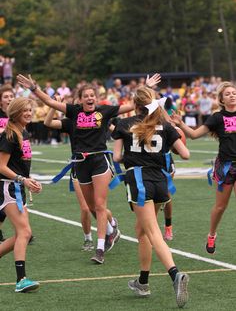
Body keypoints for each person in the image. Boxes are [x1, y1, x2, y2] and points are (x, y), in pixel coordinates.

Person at [17, 72, 161, 264]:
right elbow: (50, 104)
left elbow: (136, 105)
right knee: (91, 206)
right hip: (80, 163)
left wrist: (147, 87)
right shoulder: (74, 112)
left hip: (99, 161)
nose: (90, 98)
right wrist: (34, 88)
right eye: (86, 96)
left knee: (100, 206)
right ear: (80, 99)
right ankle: (112, 230)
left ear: (96, 97)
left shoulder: (105, 111)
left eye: (92, 95)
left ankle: (100, 248)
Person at [112, 86, 190, 308]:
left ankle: (175, 274)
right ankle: (143, 282)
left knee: (153, 232)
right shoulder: (164, 125)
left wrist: (133, 152)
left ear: (134, 104)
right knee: (142, 230)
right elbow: (185, 154)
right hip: (160, 181)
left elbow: (117, 157)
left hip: (139, 180)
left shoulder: (124, 124)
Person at [44, 96, 120, 252]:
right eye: (81, 98)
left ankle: (110, 228)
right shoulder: (71, 121)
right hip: (78, 166)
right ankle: (93, 236)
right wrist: (53, 106)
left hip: (97, 163)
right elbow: (48, 123)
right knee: (88, 207)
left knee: (97, 206)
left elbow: (111, 124)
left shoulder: (97, 116)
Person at [171, 81, 236, 254]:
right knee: (221, 207)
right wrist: (180, 123)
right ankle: (212, 234)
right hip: (225, 166)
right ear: (221, 99)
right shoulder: (217, 117)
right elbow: (193, 135)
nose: (232, 95)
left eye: (234, 92)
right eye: (228, 93)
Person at [0, 97, 42, 292]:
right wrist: (22, 179)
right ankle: (21, 280)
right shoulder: (9, 135)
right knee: (24, 232)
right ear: (15, 113)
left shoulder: (23, 132)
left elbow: (19, 165)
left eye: (30, 109)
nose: (29, 113)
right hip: (8, 188)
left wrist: (29, 179)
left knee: (22, 234)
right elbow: (1, 166)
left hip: (17, 186)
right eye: (24, 110)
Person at [0, 84, 15, 243]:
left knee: (7, 198)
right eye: (6, 97)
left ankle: (22, 229)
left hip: (12, 161)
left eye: (11, 96)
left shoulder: (16, 116)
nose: (9, 99)